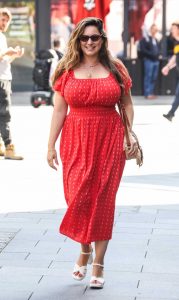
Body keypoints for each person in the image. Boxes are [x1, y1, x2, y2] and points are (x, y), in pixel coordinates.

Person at [47, 17, 137, 289]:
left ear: (102, 40)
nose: (89, 42)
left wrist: (127, 133)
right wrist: (50, 145)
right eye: (84, 38)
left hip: (109, 139)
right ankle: (84, 250)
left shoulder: (116, 68)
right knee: (78, 198)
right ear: (77, 39)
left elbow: (128, 104)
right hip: (75, 140)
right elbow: (59, 110)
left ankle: (98, 263)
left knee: (102, 201)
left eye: (94, 37)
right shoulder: (65, 68)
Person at [0, 8, 24, 159]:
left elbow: (4, 61)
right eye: (2, 19)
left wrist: (14, 55)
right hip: (1, 80)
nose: (4, 23)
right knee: (5, 114)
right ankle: (9, 147)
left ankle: (1, 146)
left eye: (7, 21)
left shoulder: (2, 36)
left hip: (4, 77)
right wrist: (6, 53)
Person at [162, 21, 179, 121]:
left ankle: (171, 113)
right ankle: (171, 113)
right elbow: (176, 58)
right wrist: (167, 67)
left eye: (173, 28)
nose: (171, 31)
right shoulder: (176, 42)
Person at [140, 24, 160, 99]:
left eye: (156, 30)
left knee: (153, 77)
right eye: (154, 29)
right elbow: (143, 49)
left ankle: (151, 92)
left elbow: (158, 49)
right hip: (149, 60)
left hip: (156, 61)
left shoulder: (156, 40)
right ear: (151, 30)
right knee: (148, 77)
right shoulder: (146, 39)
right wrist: (151, 54)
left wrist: (158, 54)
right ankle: (147, 93)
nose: (155, 31)